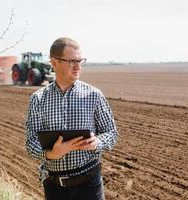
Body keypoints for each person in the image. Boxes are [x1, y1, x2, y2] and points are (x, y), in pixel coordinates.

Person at [25, 37, 118, 200]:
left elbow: (111, 133)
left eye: (80, 61)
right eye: (71, 61)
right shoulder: (38, 99)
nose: (77, 66)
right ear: (54, 63)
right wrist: (50, 154)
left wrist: (97, 143)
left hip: (89, 185)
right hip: (54, 187)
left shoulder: (94, 95)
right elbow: (31, 143)